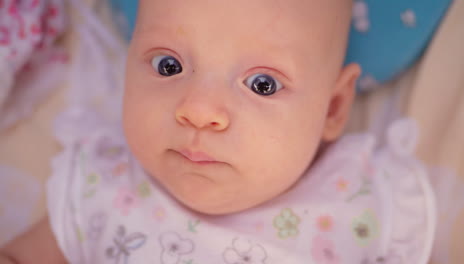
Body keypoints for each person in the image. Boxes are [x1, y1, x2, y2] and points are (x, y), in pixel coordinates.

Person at [0, 0, 435, 263]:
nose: (198, 111)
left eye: (262, 84)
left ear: (333, 108)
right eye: (168, 66)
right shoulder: (103, 187)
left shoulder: (359, 208)